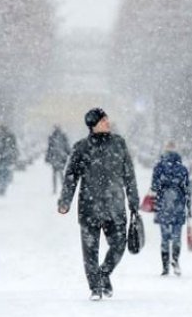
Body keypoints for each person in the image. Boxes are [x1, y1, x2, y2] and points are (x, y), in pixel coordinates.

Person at [58, 108, 140, 301]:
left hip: (115, 206)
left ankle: (103, 273)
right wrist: (64, 201)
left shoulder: (119, 144)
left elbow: (129, 175)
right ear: (93, 125)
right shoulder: (81, 148)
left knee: (119, 246)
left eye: (107, 119)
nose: (107, 122)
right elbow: (71, 177)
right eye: (103, 120)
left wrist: (133, 201)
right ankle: (95, 288)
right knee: (90, 251)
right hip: (89, 207)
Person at [150, 141, 191, 276]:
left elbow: (154, 187)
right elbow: (187, 190)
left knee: (165, 237)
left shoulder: (159, 167)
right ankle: (175, 261)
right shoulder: (183, 169)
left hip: (163, 206)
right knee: (176, 236)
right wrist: (189, 209)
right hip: (178, 205)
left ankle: (165, 266)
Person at [0, 125, 18, 195]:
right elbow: (14, 148)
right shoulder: (10, 136)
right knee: (4, 173)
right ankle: (2, 188)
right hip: (5, 159)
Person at [45, 125, 71, 194]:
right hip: (61, 157)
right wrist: (69, 152)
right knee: (60, 173)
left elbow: (49, 148)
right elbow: (67, 146)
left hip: (55, 157)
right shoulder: (62, 136)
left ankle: (56, 188)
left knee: (55, 173)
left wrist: (48, 157)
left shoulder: (52, 137)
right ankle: (62, 188)